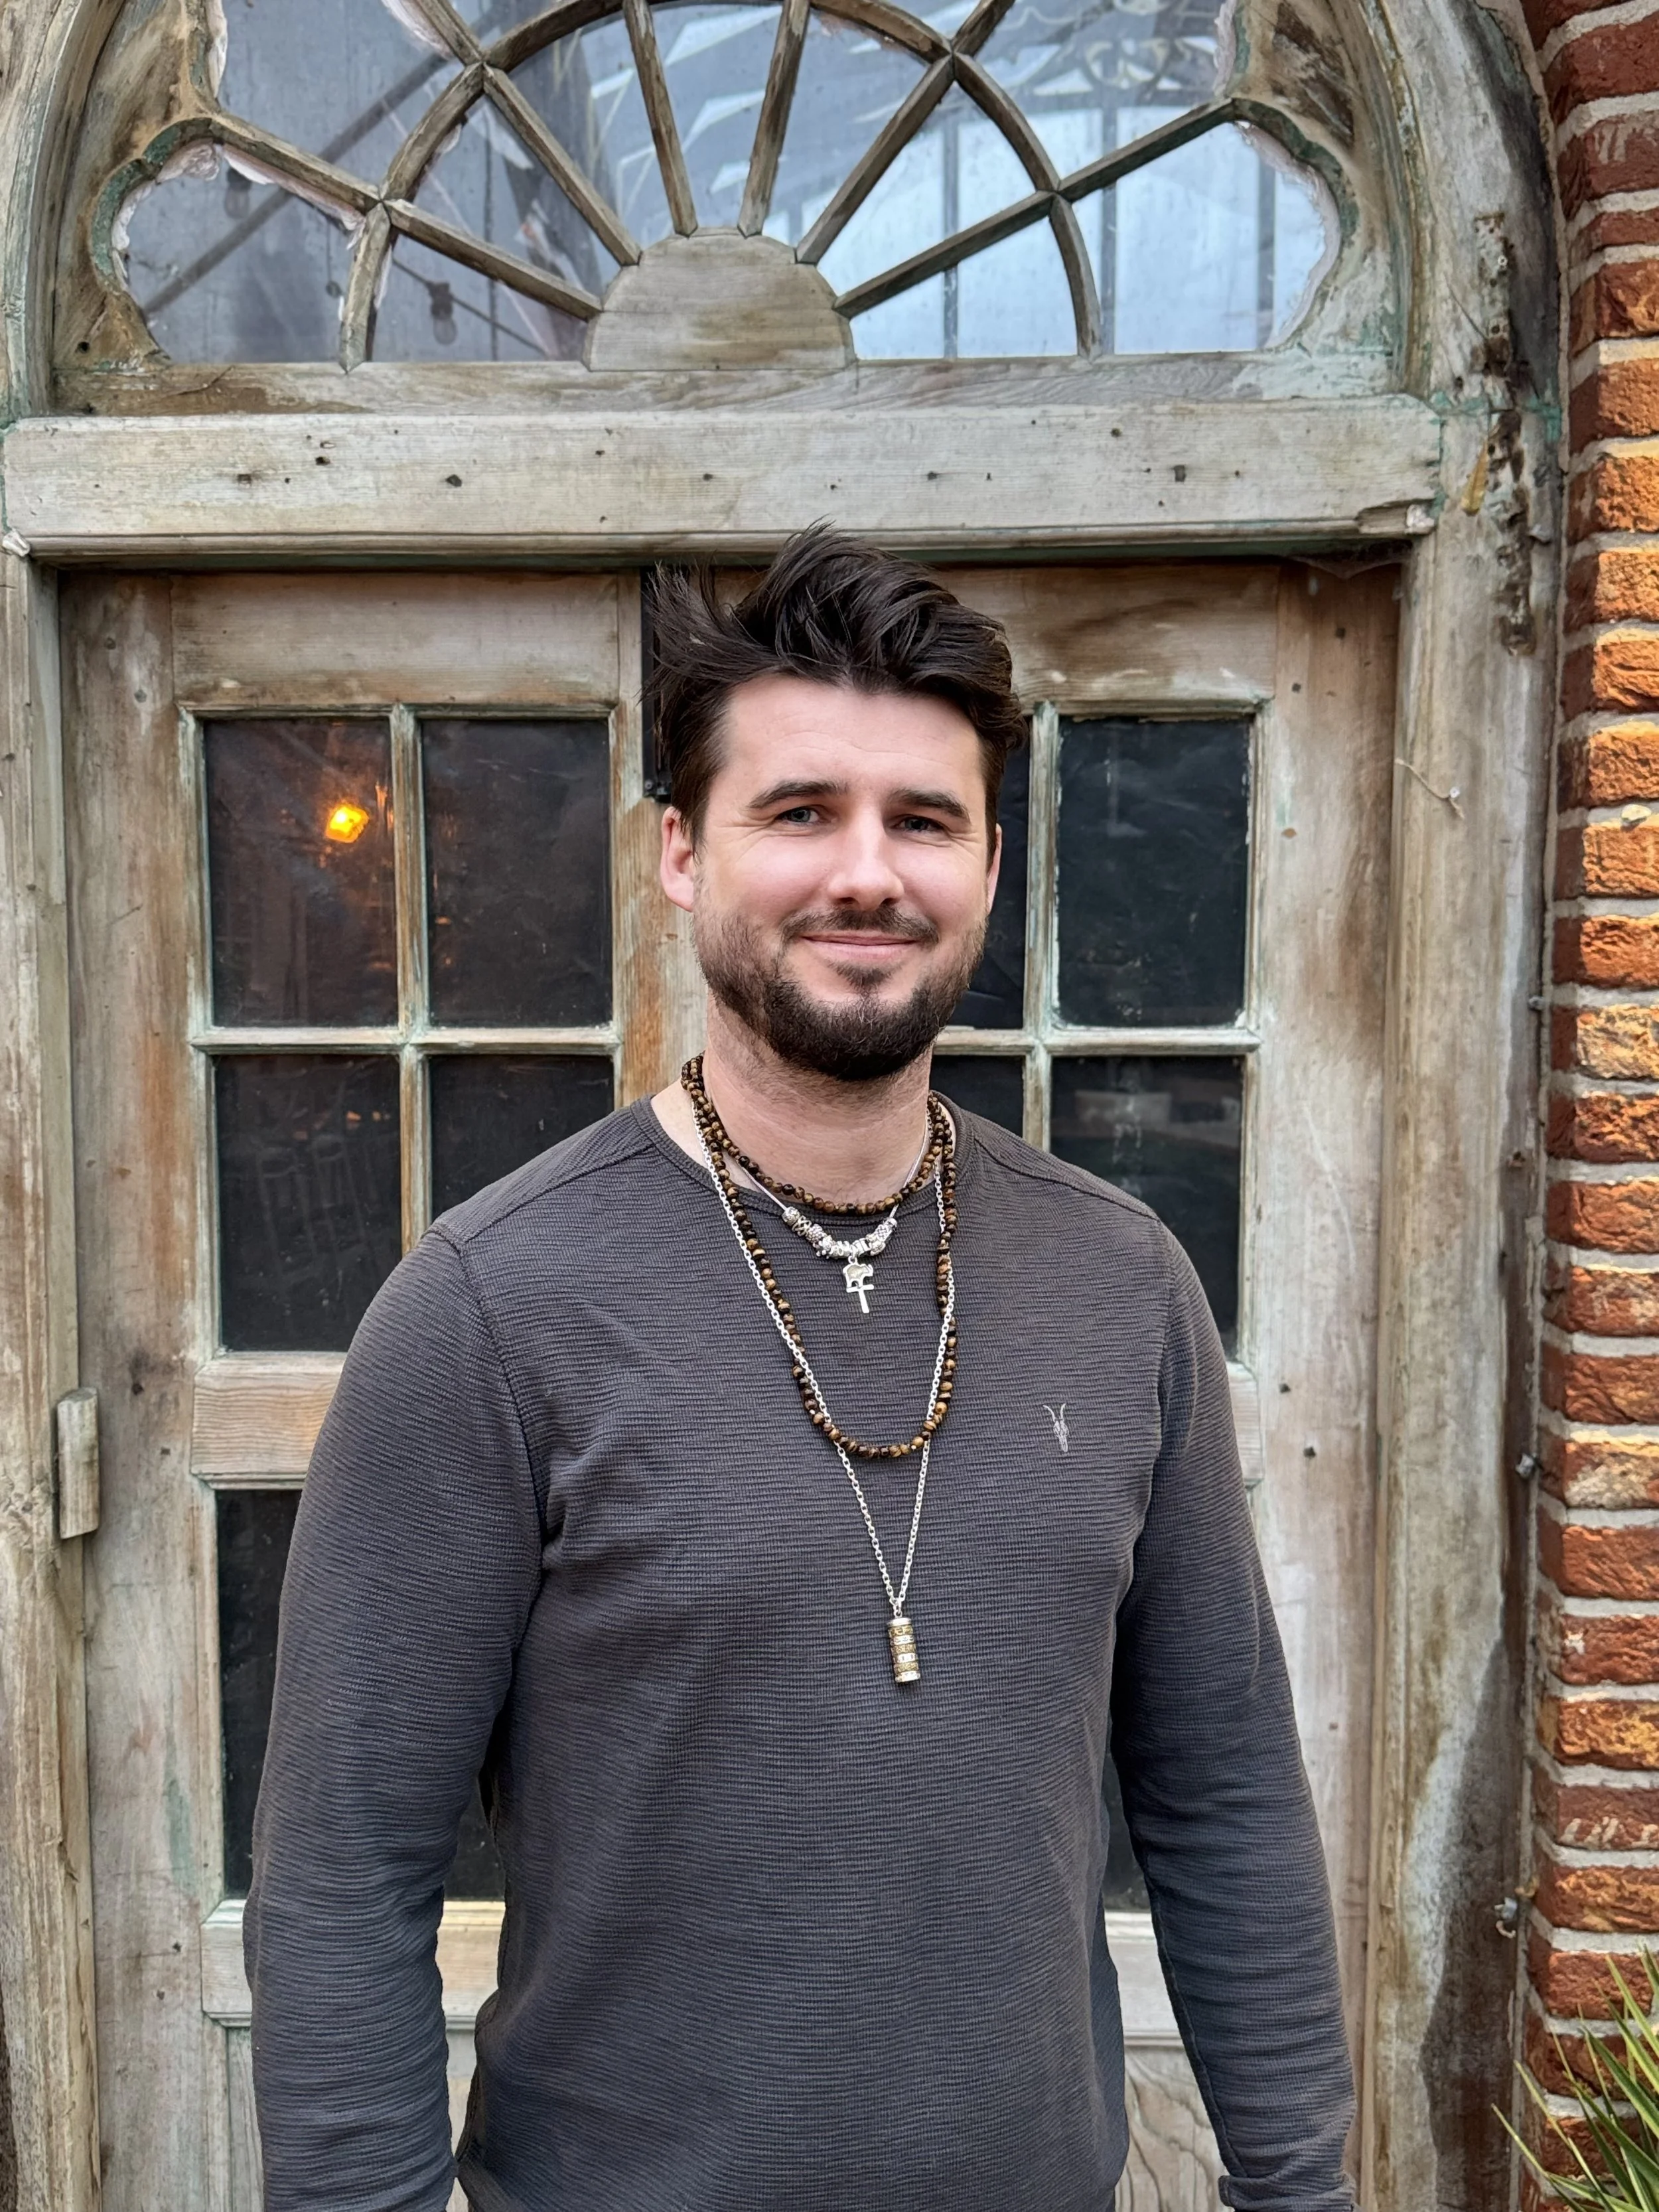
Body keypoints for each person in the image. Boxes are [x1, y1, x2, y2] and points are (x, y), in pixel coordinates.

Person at [247, 528, 1357, 2212]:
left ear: (989, 862)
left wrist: (1301, 2189)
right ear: (682, 853)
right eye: (799, 811)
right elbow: (341, 1881)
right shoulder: (489, 1306)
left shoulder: (1119, 1280)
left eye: (923, 819)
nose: (866, 872)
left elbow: (1226, 1801)